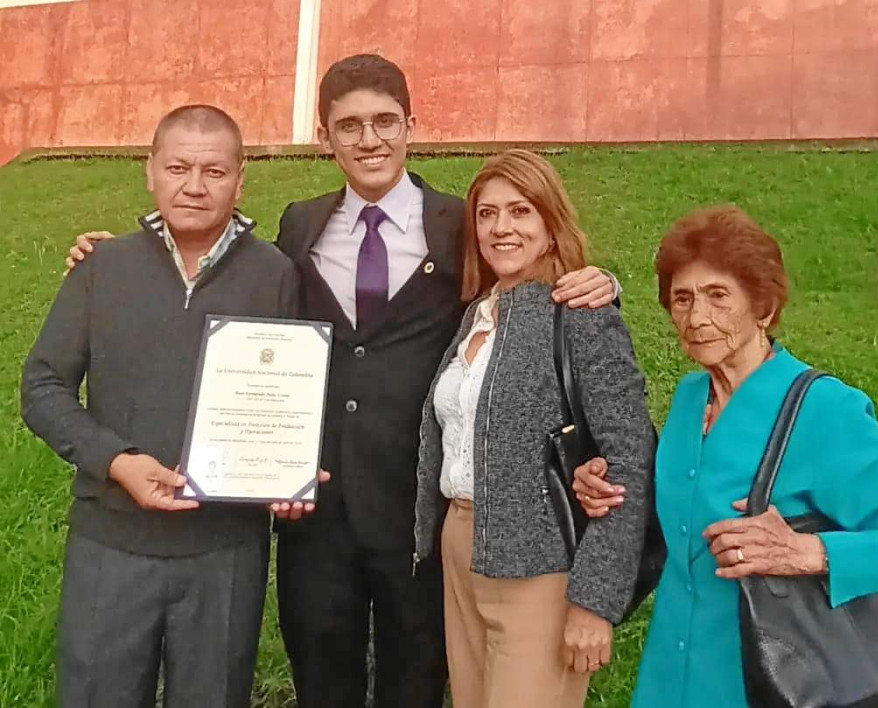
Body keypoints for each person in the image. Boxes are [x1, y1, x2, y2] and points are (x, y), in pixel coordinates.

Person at [63, 55, 618, 707]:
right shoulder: (300, 223)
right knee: (321, 676)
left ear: (411, 126)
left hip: (416, 505)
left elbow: (520, 271)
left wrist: (597, 280)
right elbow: (233, 292)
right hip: (313, 505)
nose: (369, 139)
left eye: (384, 122)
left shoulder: (457, 222)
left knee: (415, 677)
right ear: (324, 136)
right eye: (348, 125)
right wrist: (113, 256)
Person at [572, 205, 878, 708]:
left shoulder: (823, 409)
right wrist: (600, 486)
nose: (696, 317)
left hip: (767, 683)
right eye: (682, 299)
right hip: (670, 678)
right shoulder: (688, 399)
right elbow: (672, 519)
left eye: (718, 296)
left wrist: (808, 553)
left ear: (763, 308)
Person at [20, 105, 322, 708]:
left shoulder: (276, 275)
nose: (194, 185)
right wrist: (116, 460)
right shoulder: (104, 267)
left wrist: (289, 480)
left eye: (214, 171)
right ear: (149, 172)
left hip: (223, 551)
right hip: (111, 541)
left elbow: (291, 399)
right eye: (178, 167)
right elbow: (43, 386)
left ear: (240, 180)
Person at [412, 149, 656, 708]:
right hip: (461, 547)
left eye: (520, 211)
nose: (502, 227)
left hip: (541, 568)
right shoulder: (476, 314)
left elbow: (628, 457)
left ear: (550, 225)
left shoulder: (582, 312)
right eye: (487, 213)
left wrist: (595, 600)